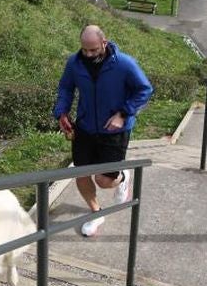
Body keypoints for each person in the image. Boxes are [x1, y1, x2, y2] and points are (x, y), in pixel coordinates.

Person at [53, 25, 154, 237]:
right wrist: (62, 112)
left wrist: (123, 114)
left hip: (114, 130)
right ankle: (96, 212)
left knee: (104, 181)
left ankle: (123, 178)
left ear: (104, 43)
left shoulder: (124, 63)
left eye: (93, 50)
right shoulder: (74, 63)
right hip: (85, 126)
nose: (89, 55)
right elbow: (65, 88)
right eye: (85, 50)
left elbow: (144, 90)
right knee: (81, 174)